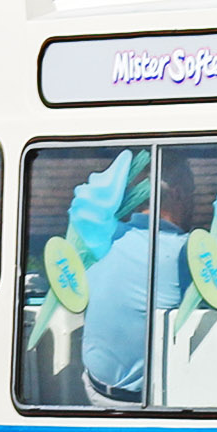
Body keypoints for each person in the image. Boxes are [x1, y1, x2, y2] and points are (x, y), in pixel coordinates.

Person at [82, 159, 195, 401]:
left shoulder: (104, 239)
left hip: (94, 389)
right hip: (146, 402)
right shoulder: (184, 252)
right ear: (178, 194)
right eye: (193, 194)